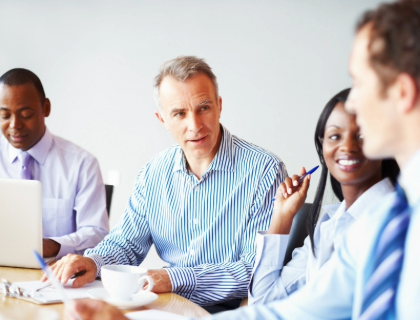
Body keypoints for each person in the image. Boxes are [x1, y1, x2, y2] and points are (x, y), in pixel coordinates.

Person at [66, 1, 420, 319]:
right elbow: (292, 312)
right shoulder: (387, 220)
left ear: (402, 93)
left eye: (360, 82)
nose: (351, 103)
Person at [51, 56, 287, 311]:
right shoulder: (154, 172)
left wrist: (175, 278)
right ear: (162, 119)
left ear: (219, 106)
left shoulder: (264, 170)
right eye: (179, 113)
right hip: (164, 306)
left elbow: (255, 269)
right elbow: (126, 243)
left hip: (228, 311)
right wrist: (94, 263)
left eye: (204, 108)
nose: (194, 125)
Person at [249, 88, 399, 304]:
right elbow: (262, 301)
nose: (347, 147)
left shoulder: (394, 219)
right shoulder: (330, 223)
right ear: (323, 147)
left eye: (362, 135)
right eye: (335, 136)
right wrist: (282, 217)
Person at [0, 68, 109, 259]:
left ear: (45, 108)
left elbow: (97, 235)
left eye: (26, 114)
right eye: (5, 115)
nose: (15, 125)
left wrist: (54, 245)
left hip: (56, 275)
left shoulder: (82, 164)